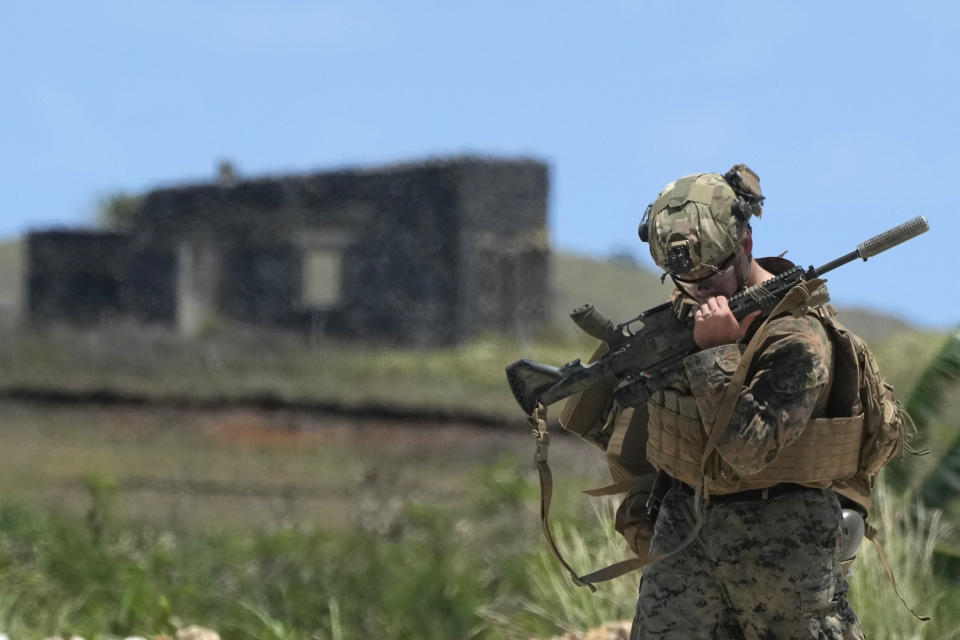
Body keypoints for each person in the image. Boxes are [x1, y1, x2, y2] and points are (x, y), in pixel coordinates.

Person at [560, 165, 869, 639]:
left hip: (784, 539)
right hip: (688, 527)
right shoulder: (684, 322)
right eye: (684, 281)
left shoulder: (798, 338)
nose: (701, 294)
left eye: (710, 276)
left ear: (744, 245)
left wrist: (717, 353)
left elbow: (749, 450)